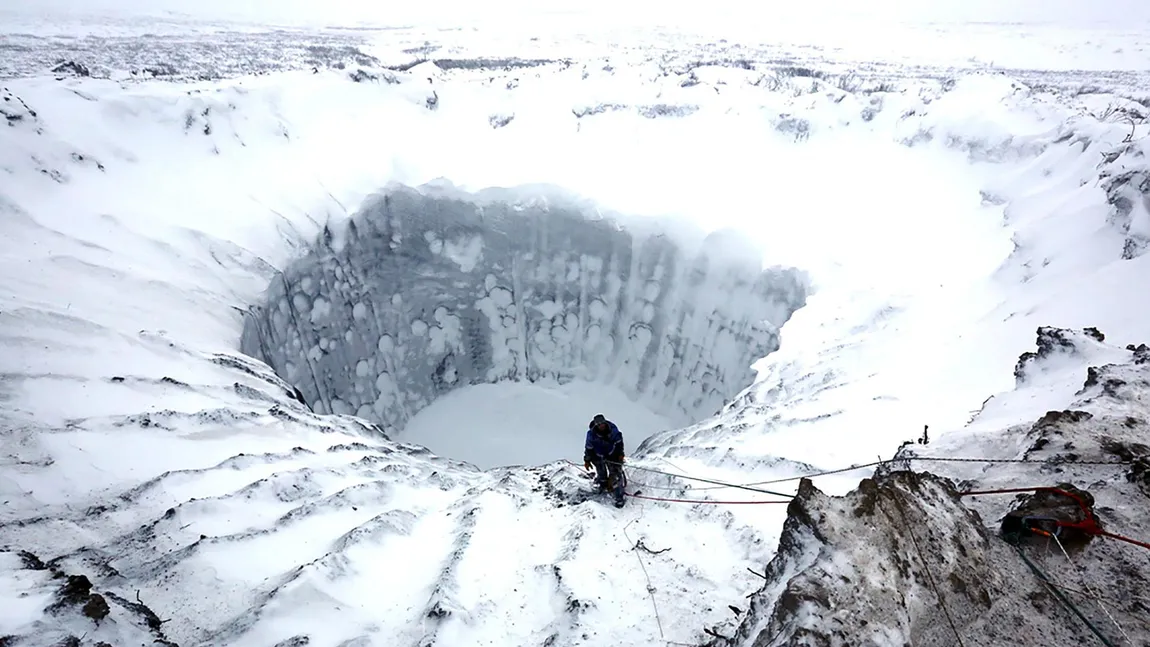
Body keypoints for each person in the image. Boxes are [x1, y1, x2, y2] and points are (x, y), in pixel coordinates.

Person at [583, 414, 626, 508]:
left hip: (612, 454)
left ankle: (619, 496)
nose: (601, 426)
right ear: (596, 425)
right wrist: (587, 460)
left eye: (602, 423)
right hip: (598, 456)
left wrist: (620, 454)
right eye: (599, 424)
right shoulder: (591, 434)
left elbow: (619, 443)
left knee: (615, 474)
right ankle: (603, 486)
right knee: (601, 473)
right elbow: (589, 448)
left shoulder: (613, 430)